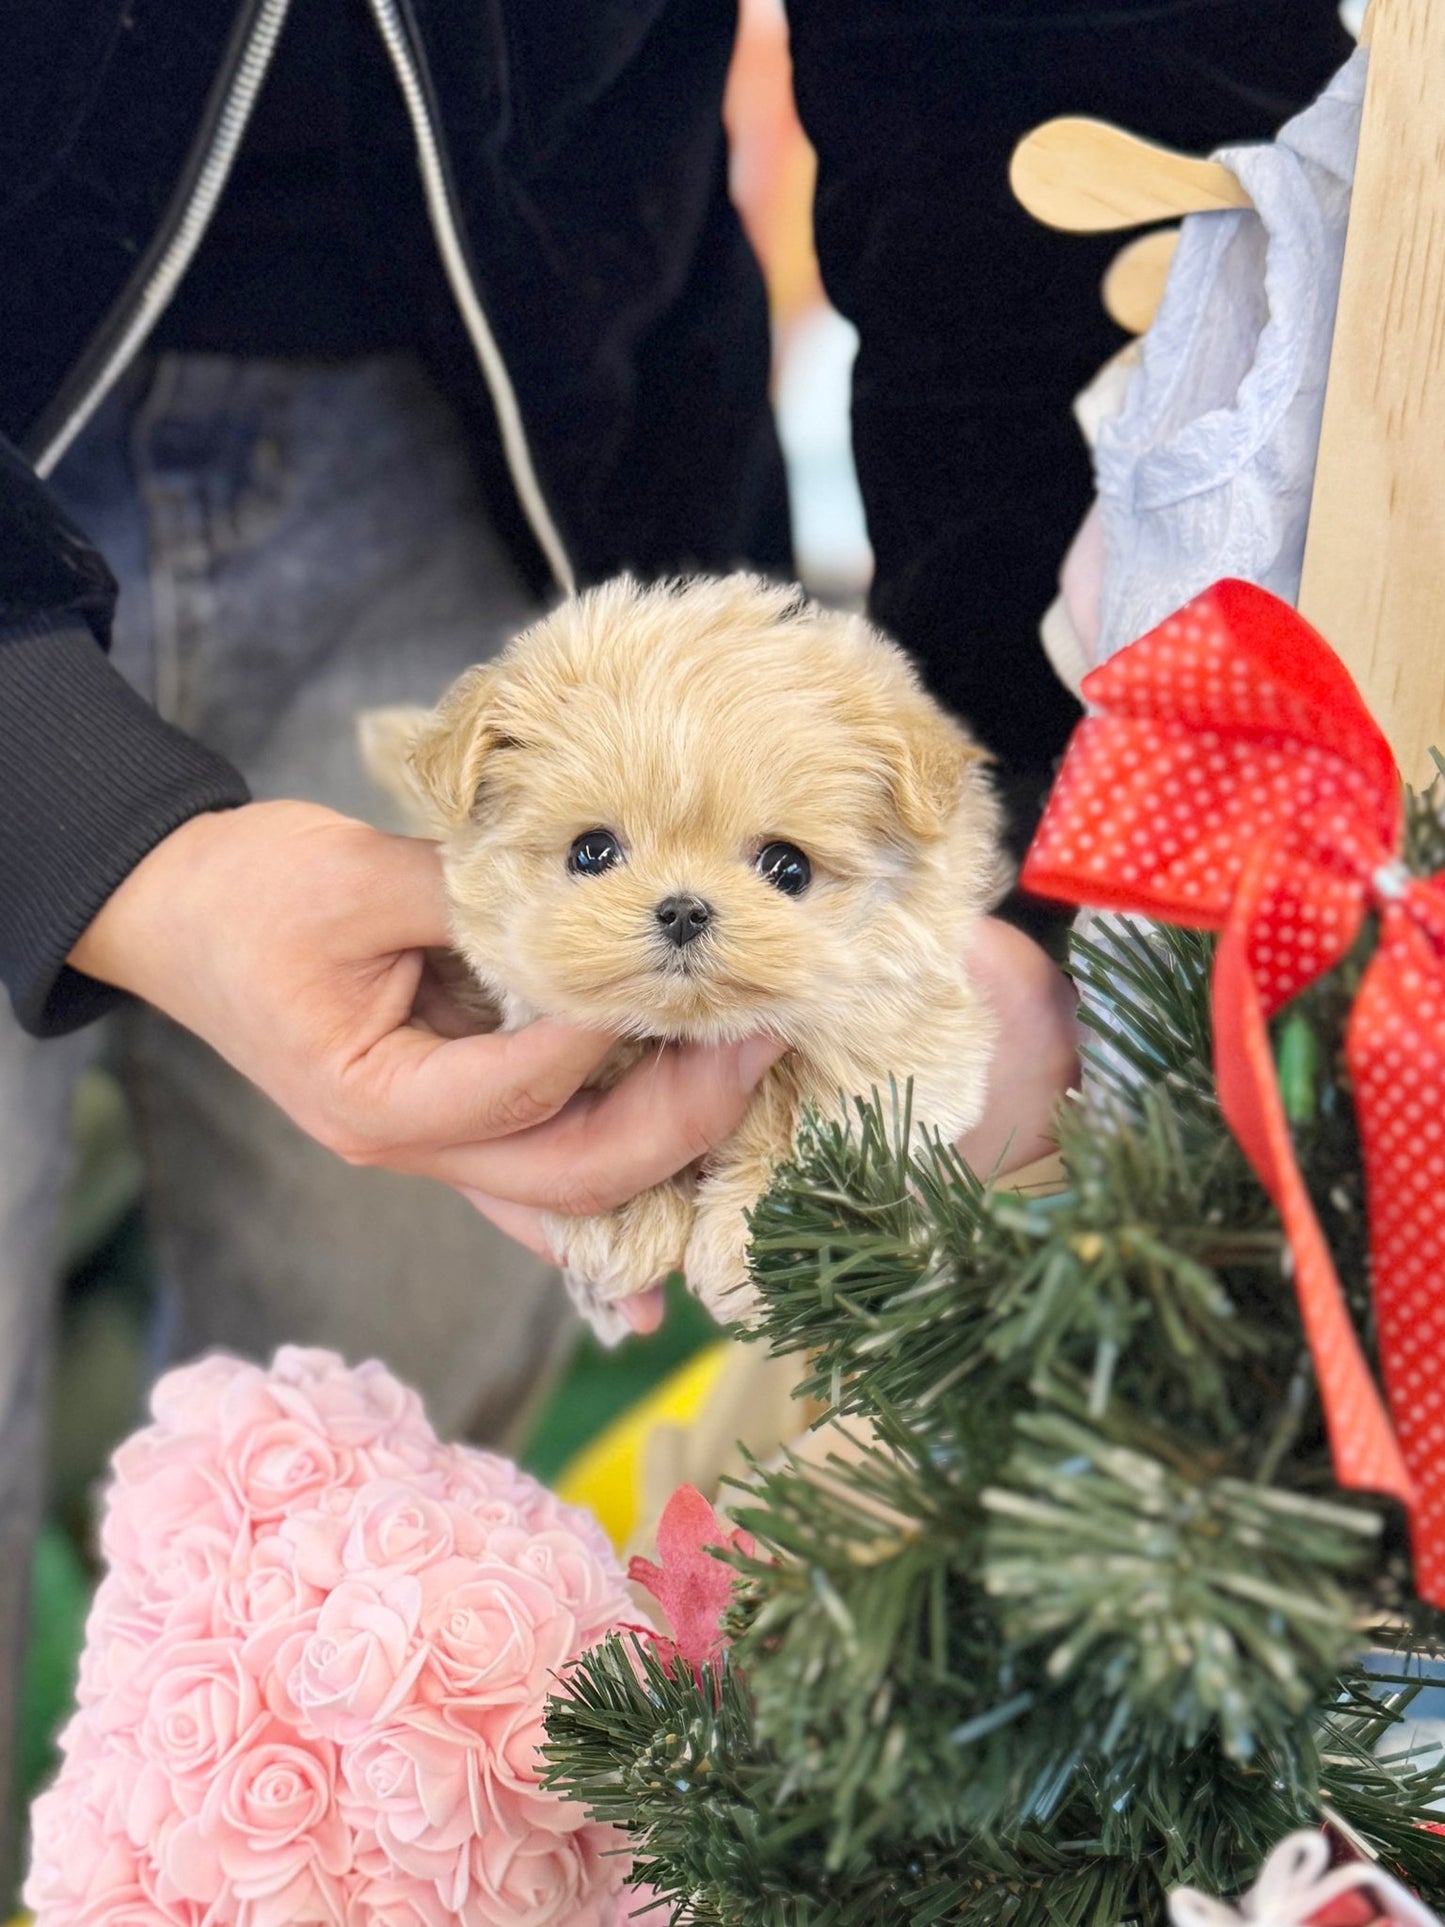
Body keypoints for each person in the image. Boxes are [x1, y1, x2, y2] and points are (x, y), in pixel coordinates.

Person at [0, 0, 1351, 1886]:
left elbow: (1041, 83)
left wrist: (1019, 856)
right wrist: (86, 813)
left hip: (522, 428)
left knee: (388, 1523)